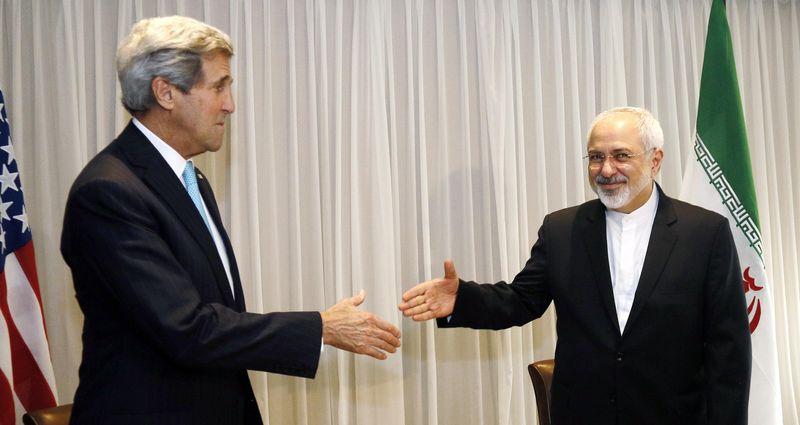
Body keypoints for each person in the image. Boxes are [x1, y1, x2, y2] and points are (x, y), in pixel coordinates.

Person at [61, 16, 400, 425]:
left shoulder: (189, 179)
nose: (230, 104)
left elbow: (214, 314)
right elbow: (187, 330)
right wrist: (320, 328)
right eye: (219, 86)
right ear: (165, 92)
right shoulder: (108, 192)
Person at [399, 107, 751, 425]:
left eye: (620, 156)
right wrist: (461, 299)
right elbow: (520, 300)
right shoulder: (562, 230)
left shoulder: (706, 233)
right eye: (596, 157)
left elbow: (728, 349)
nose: (606, 169)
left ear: (655, 160)